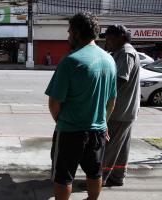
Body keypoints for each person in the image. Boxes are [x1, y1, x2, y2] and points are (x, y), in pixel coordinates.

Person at [45, 12, 117, 200]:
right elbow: (112, 100)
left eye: (69, 32)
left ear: (77, 33)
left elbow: (54, 102)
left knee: (63, 177)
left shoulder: (71, 61)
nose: (68, 36)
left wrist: (61, 122)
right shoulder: (109, 60)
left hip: (70, 131)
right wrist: (104, 123)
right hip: (98, 132)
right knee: (95, 173)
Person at [102, 25, 140, 187]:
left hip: (119, 111)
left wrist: (102, 101)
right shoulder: (120, 51)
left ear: (121, 37)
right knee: (121, 147)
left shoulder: (125, 52)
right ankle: (117, 177)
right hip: (126, 110)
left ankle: (99, 179)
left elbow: (120, 79)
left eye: (110, 37)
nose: (107, 40)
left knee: (108, 147)